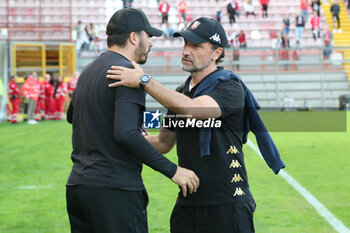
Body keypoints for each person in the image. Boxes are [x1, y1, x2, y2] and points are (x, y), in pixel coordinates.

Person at [107, 17, 285, 233]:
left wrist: (144, 82)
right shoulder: (180, 94)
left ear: (217, 53)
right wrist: (128, 137)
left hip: (227, 204)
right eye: (185, 43)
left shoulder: (229, 86)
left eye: (196, 46)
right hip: (188, 204)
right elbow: (163, 143)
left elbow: (197, 110)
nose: (186, 51)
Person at [65, 8, 199, 233]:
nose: (151, 43)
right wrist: (173, 171)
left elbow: (72, 116)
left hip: (79, 187)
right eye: (149, 36)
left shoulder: (88, 70)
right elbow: (126, 134)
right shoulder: (128, 74)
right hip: (114, 191)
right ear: (134, 37)